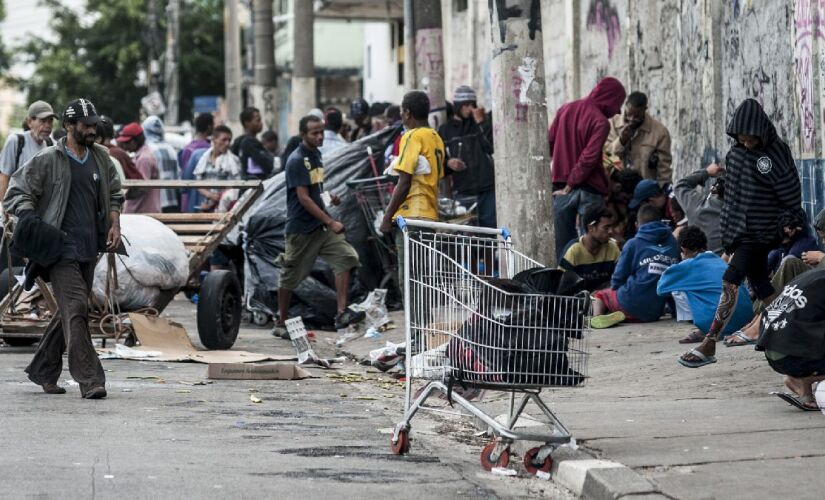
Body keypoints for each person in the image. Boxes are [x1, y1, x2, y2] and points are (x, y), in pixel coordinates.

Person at [5, 98, 123, 399]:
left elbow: (113, 194)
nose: (91, 130)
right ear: (69, 126)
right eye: (85, 125)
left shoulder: (101, 157)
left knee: (69, 312)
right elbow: (17, 192)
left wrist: (114, 223)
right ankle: (90, 379)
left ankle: (43, 369)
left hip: (89, 246)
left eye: (94, 125)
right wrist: (30, 219)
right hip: (59, 247)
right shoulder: (48, 159)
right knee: (76, 308)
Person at [679, 98, 803, 368]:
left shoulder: (776, 153)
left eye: (751, 140)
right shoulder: (735, 154)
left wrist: (787, 222)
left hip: (761, 229)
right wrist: (722, 186)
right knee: (762, 286)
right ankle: (798, 330)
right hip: (739, 228)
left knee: (730, 279)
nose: (747, 144)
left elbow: (790, 191)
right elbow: (737, 182)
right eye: (742, 139)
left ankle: (710, 342)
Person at [271, 114, 365, 338]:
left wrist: (328, 197)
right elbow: (303, 198)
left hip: (320, 227)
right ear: (303, 135)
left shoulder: (316, 156)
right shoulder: (296, 160)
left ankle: (341, 313)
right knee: (290, 275)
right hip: (301, 229)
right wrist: (330, 221)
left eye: (321, 131)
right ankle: (280, 320)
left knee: (346, 257)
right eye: (315, 132)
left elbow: (315, 190)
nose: (320, 136)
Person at [549, 77, 626, 260]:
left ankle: (564, 283)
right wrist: (571, 184)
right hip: (587, 189)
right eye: (618, 104)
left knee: (563, 246)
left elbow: (549, 144)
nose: (618, 111)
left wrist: (562, 183)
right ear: (610, 99)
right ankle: (593, 285)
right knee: (595, 244)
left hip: (560, 189)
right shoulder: (600, 122)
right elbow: (588, 158)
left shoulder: (565, 109)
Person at [379, 91, 446, 287]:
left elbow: (404, 181)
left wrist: (386, 217)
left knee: (408, 281)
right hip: (430, 214)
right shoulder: (436, 137)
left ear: (407, 113)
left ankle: (414, 318)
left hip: (412, 215)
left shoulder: (412, 136)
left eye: (401, 112)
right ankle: (422, 318)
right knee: (423, 279)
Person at [657, 226, 753, 344]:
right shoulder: (720, 262)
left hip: (719, 326)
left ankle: (703, 329)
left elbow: (660, 288)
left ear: (683, 249)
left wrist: (682, 264)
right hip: (745, 322)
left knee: (677, 289)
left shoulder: (688, 265)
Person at [590, 205, 679, 329]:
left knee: (599, 296)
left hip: (629, 303)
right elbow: (675, 281)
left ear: (637, 224)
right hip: (654, 312)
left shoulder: (633, 244)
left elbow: (617, 279)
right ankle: (618, 314)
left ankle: (596, 318)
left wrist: (618, 288)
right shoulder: (673, 244)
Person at [758, 269, 825, 411]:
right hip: (793, 357)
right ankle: (803, 379)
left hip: (774, 352)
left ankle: (804, 390)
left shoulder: (811, 275)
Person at [438, 85, 497, 228]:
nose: (469, 108)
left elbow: (491, 147)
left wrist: (482, 122)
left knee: (490, 230)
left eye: (472, 104)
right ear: (457, 106)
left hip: (487, 188)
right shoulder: (446, 130)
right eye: (465, 105)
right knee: (467, 233)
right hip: (463, 190)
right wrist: (448, 163)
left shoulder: (481, 122)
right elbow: (439, 159)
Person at [606, 92, 673, 186]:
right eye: (628, 114)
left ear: (645, 110)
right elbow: (606, 158)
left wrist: (662, 193)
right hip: (617, 191)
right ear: (625, 106)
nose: (632, 119)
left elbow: (664, 171)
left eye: (637, 116)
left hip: (644, 193)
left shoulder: (660, 133)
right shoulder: (611, 125)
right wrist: (621, 141)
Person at [0, 100, 57, 201]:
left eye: (50, 121)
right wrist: (5, 207)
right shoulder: (16, 141)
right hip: (16, 209)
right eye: (43, 121)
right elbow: (4, 177)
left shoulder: (53, 145)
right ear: (30, 122)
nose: (48, 126)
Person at [559, 205, 620, 291]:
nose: (611, 231)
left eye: (611, 227)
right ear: (591, 228)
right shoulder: (573, 251)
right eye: (606, 228)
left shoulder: (613, 248)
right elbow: (562, 286)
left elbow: (620, 279)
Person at [672, 163, 724, 254]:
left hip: (698, 263)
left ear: (715, 189)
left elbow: (679, 186)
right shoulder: (741, 213)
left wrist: (706, 172)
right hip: (726, 265)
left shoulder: (698, 206)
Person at [192, 125, 241, 213]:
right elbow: (198, 182)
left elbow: (235, 184)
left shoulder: (234, 161)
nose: (227, 143)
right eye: (224, 140)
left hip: (224, 207)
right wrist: (209, 195)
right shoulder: (204, 159)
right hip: (204, 206)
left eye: (229, 140)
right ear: (214, 140)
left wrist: (217, 197)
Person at [117, 123, 162, 214]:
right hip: (142, 211)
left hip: (144, 211)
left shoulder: (144, 158)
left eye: (127, 143)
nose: (125, 146)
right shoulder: (141, 155)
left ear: (134, 142)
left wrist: (120, 195)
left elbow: (141, 188)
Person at [142, 116, 180, 213]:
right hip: (172, 201)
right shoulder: (171, 149)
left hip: (154, 203)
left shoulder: (147, 149)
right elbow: (178, 176)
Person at [234, 107, 278, 180]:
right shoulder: (249, 142)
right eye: (258, 120)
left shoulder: (241, 140)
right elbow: (267, 164)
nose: (261, 123)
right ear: (247, 123)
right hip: (253, 184)